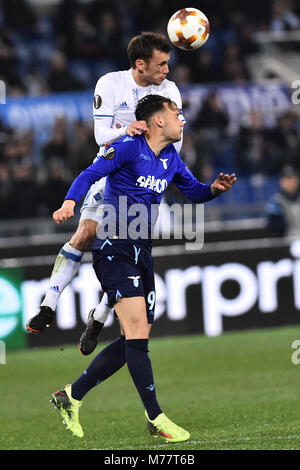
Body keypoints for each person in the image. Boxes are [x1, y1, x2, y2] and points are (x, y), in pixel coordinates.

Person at [50, 94, 237, 443]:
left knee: (135, 338)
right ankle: (156, 416)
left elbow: (193, 192)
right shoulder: (127, 148)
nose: (182, 119)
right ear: (158, 121)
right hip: (114, 247)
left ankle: (70, 396)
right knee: (136, 333)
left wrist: (214, 189)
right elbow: (90, 173)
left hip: (141, 250)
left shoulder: (171, 158)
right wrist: (70, 203)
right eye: (176, 113)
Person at [26, 32, 184, 356]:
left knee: (126, 254)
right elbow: (101, 135)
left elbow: (176, 143)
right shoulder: (110, 84)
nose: (167, 70)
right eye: (161, 64)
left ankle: (99, 317)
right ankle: (49, 304)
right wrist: (126, 131)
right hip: (112, 169)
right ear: (140, 65)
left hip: (145, 180)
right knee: (85, 234)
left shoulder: (170, 91)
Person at [265, 165, 300, 237]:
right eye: (286, 179)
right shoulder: (276, 201)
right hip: (287, 240)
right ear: (281, 182)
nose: (290, 182)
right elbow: (273, 228)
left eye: (292, 178)